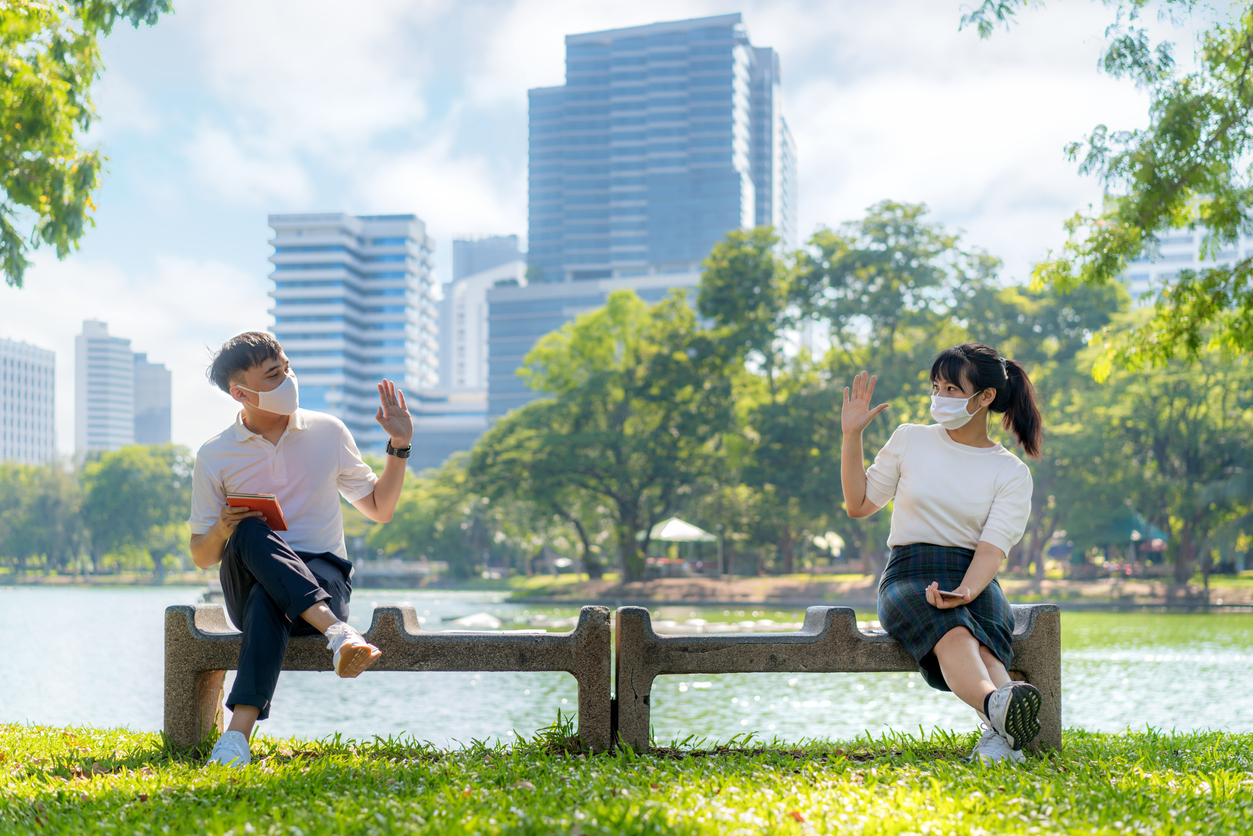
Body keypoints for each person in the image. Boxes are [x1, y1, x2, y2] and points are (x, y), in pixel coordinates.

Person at [188, 332, 414, 768]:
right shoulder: (215, 455)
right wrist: (224, 526)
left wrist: (399, 446)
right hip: (253, 575)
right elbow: (201, 555)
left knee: (268, 596)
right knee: (251, 533)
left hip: (323, 577)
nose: (289, 378)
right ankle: (339, 634)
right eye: (275, 374)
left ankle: (236, 740)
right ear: (241, 393)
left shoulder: (328, 431)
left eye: (287, 367)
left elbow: (379, 508)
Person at [840, 343, 1044, 764]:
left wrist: (966, 590)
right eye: (937, 386)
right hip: (909, 574)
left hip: (976, 576)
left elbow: (991, 549)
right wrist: (851, 435)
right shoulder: (909, 439)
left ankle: (999, 734)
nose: (940, 397)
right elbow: (859, 505)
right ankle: (998, 709)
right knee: (953, 630)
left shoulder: (1010, 472)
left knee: (985, 643)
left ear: (985, 397)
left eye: (953, 388)